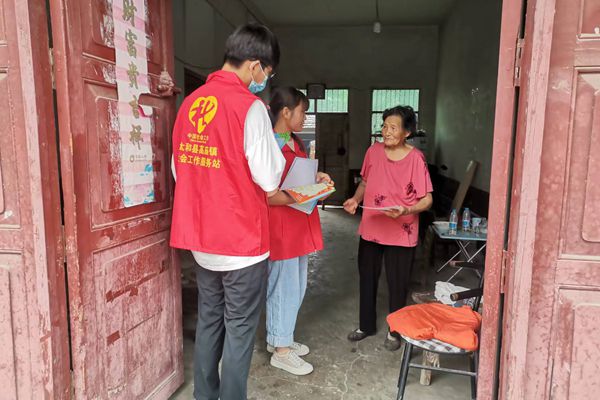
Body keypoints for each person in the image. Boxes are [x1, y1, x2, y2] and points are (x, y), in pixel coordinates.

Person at [170, 24, 294, 400]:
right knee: (239, 330)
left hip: (202, 240)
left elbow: (179, 170)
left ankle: (204, 396)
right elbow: (269, 178)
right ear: (255, 65)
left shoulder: (190, 104)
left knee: (210, 320)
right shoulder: (249, 107)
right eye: (266, 72)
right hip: (241, 243)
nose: (264, 81)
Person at [343, 106, 433, 351]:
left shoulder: (416, 159)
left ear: (407, 132)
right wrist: (355, 200)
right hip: (372, 226)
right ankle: (366, 325)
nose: (386, 131)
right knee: (367, 277)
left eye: (393, 127)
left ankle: (395, 331)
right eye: (384, 126)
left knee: (397, 282)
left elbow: (427, 200)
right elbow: (365, 182)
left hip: (401, 231)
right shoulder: (373, 151)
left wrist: (406, 210)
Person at [265, 87, 333, 376]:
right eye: (302, 112)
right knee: (283, 286)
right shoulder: (268, 144)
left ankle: (281, 336)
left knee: (297, 285)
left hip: (299, 221)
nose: (305, 117)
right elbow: (268, 193)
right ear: (285, 112)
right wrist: (307, 191)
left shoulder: (295, 142)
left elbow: (299, 176)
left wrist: (317, 178)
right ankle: (281, 351)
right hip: (281, 225)